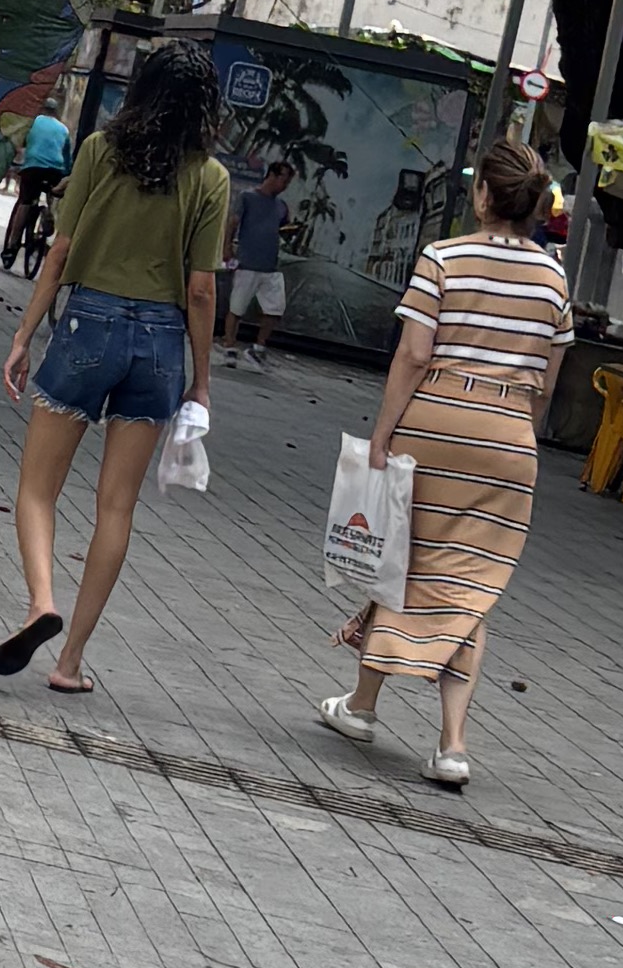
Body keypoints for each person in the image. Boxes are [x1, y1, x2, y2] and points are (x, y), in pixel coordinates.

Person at [320, 140, 580, 786]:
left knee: (403, 563)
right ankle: (453, 746)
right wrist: (518, 433)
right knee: (470, 587)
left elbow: (412, 355)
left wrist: (383, 434)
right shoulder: (554, 278)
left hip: (436, 420)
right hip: (508, 437)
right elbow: (548, 381)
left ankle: (363, 704)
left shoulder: (444, 259)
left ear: (485, 196)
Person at [0, 39, 230, 701]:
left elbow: (60, 253)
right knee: (115, 507)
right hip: (159, 342)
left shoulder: (100, 151)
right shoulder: (210, 177)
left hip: (86, 324)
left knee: (38, 489)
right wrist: (201, 379)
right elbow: (203, 288)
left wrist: (24, 334)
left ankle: (42, 600)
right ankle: (69, 661)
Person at [218, 144, 289, 376]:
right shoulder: (247, 197)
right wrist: (227, 247)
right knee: (237, 308)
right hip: (248, 262)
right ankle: (229, 347)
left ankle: (258, 348)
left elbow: (281, 228)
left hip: (270, 265)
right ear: (272, 176)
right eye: (283, 180)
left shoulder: (281, 206)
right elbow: (233, 223)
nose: (285, 186)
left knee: (275, 309)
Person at [0, 95, 71, 276]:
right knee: (51, 192)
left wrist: (15, 163)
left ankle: (12, 244)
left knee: (25, 202)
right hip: (55, 169)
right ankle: (48, 213)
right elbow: (67, 158)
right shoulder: (64, 129)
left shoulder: (32, 123)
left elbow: (20, 144)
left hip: (33, 168)